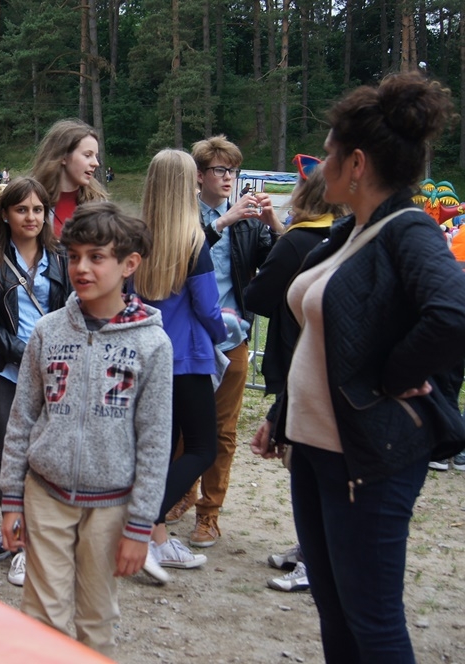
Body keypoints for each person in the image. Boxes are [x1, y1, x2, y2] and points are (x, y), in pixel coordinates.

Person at [257, 73, 465, 662]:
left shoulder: (408, 229)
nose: (318, 166)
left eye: (327, 154)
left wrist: (390, 377)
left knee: (372, 623)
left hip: (367, 459)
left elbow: (453, 313)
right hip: (314, 450)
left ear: (356, 164)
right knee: (335, 612)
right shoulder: (352, 232)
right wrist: (281, 413)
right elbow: (325, 341)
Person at [0, 202, 172, 656]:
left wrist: (140, 525)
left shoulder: (152, 343)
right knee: (42, 616)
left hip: (111, 505)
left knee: (96, 618)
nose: (81, 268)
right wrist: (11, 499)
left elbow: (156, 441)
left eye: (97, 257)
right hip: (46, 493)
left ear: (129, 264)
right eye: (74, 256)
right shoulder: (48, 331)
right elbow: (21, 420)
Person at [167, 135, 283, 548]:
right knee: (181, 427)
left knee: (223, 430)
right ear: (199, 176)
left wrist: (274, 224)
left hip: (232, 337)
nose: (229, 177)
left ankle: (209, 514)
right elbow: (177, 260)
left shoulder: (250, 223)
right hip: (187, 337)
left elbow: (280, 266)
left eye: (233, 170)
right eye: (221, 170)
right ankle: (182, 492)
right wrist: (221, 223)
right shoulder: (182, 217)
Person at [245, 161, 348, 594]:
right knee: (310, 459)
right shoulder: (338, 236)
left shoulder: (297, 242)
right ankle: (311, 548)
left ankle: (319, 559)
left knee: (307, 461)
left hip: (300, 360)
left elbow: (257, 296)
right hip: (329, 365)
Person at [0, 177, 71, 584]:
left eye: (38, 209)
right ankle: (14, 531)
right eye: (22, 209)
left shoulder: (62, 258)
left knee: (47, 456)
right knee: (12, 454)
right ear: (6, 215)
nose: (31, 217)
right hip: (6, 370)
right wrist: (20, 350)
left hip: (56, 371)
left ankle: (40, 537)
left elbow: (76, 309)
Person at [132, 149, 226, 577]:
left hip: (147, 355)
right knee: (203, 447)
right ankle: (142, 523)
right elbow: (208, 307)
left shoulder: (137, 238)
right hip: (186, 358)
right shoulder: (193, 241)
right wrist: (226, 330)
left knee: (161, 451)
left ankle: (157, 540)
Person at [30, 119, 108, 237]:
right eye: (88, 155)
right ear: (63, 157)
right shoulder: (29, 201)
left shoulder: (100, 206)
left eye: (96, 157)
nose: (96, 163)